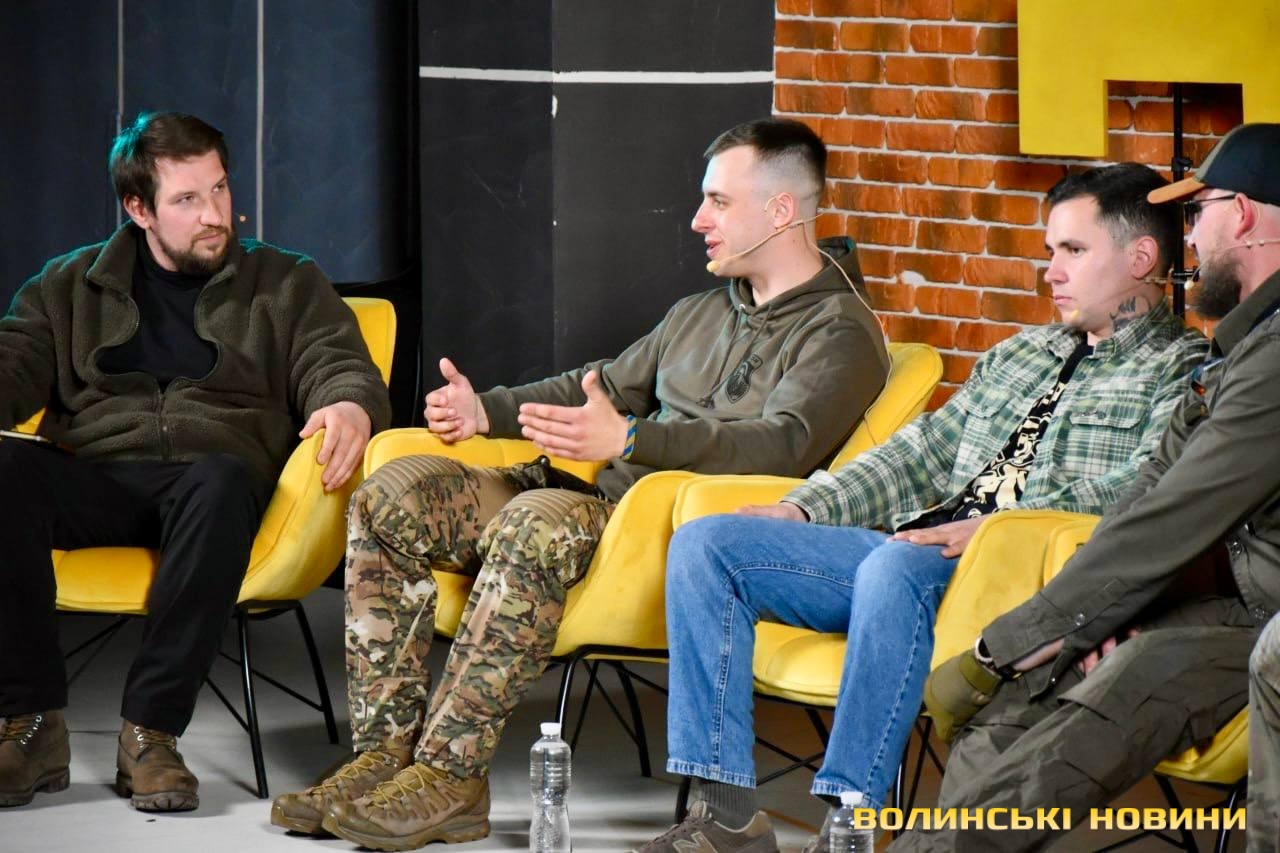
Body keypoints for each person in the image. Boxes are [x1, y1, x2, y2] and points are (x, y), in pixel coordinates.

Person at [269, 117, 889, 849]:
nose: (698, 220)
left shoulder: (841, 333)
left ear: (782, 210)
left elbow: (782, 446)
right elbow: (598, 384)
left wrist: (631, 440)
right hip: (577, 497)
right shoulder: (700, 312)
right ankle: (383, 757)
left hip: (654, 531)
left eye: (718, 202)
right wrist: (486, 410)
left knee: (532, 522)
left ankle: (448, 777)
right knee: (391, 496)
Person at [638, 161, 1211, 853]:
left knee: (896, 565)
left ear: (1141, 257)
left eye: (1073, 250)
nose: (1051, 271)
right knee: (708, 545)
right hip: (917, 554)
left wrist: (996, 530)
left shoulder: (1182, 370)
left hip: (1013, 578)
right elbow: (922, 452)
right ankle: (725, 817)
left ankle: (849, 826)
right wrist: (805, 508)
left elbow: (1145, 490)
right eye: (1049, 250)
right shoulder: (1021, 354)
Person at [899, 123, 1280, 852]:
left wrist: (1001, 646)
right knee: (1022, 690)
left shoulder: (1273, 360)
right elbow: (1148, 494)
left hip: (1267, 622)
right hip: (1228, 603)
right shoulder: (1238, 348)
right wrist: (1080, 627)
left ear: (1242, 215)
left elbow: (1171, 519)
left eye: (1198, 213)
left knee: (1122, 675)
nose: (1190, 237)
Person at [0, 112, 391, 814]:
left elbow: (336, 361)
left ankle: (150, 734)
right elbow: (14, 364)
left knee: (221, 478)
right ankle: (30, 725)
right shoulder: (69, 286)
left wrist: (349, 405)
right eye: (187, 199)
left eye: (219, 188)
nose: (215, 214)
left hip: (216, 486)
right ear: (139, 208)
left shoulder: (285, 280)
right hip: (102, 477)